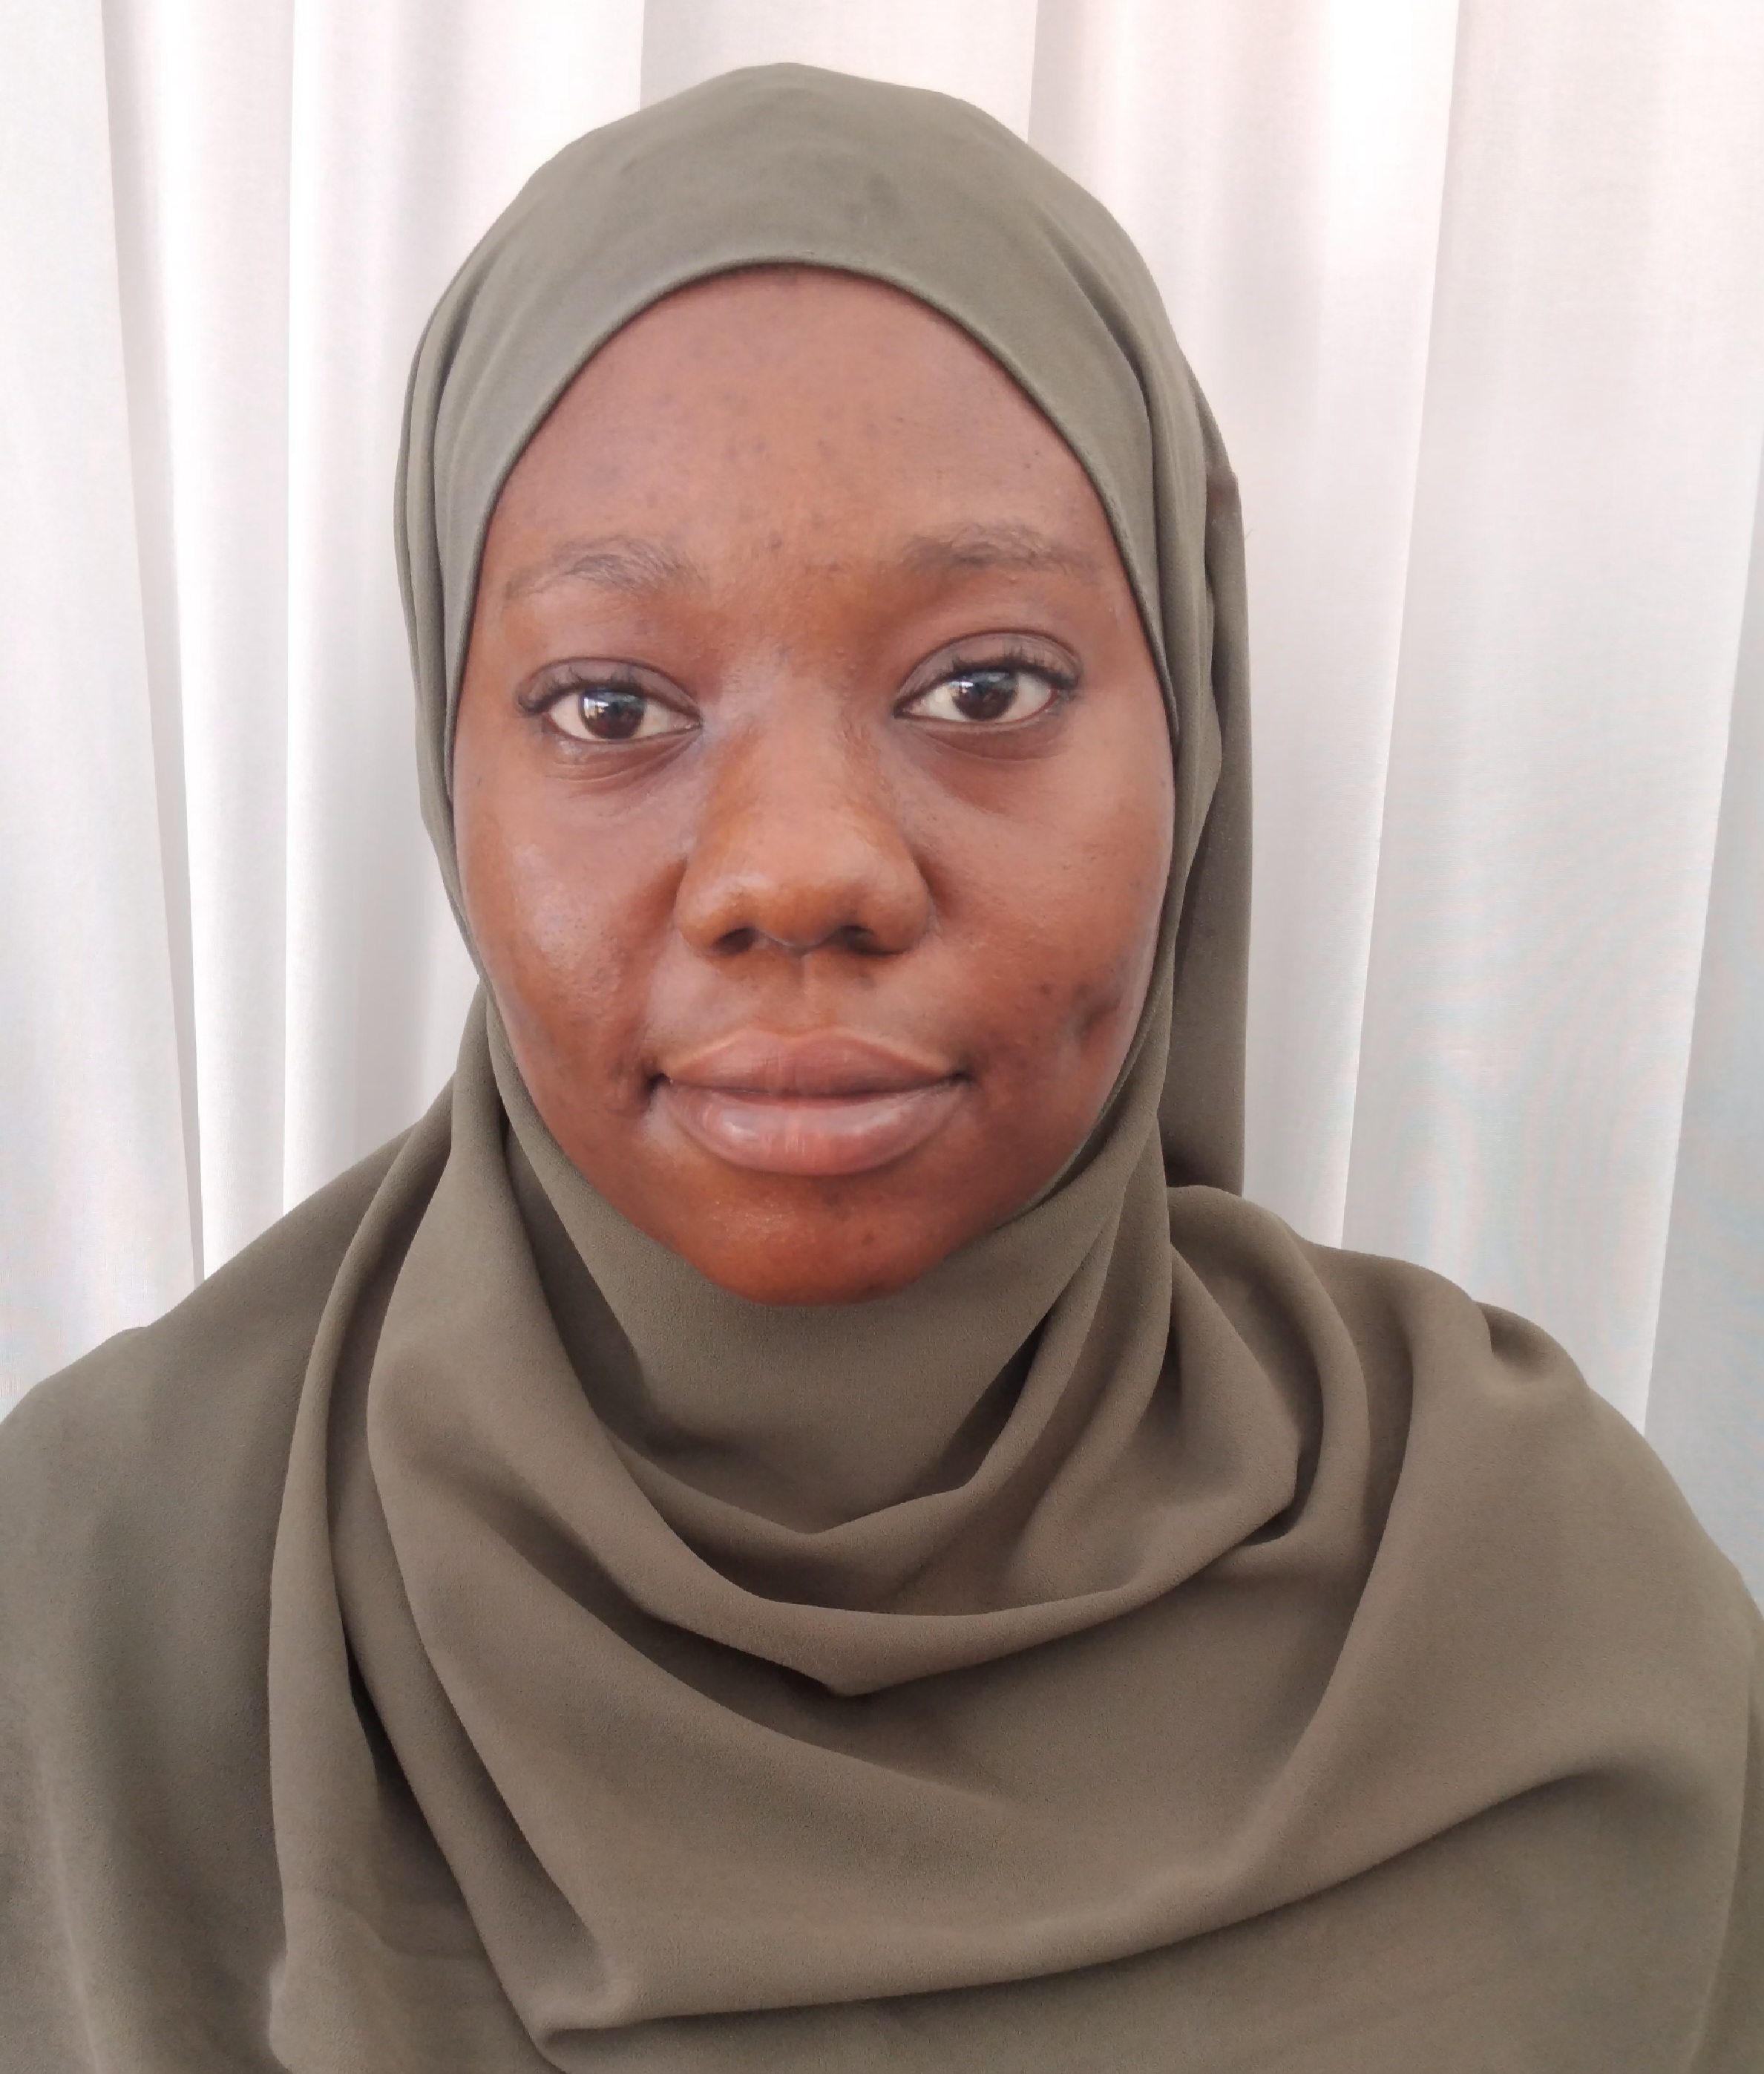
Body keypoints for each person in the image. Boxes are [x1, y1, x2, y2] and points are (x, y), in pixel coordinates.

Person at [1, 63, 1757, 2074]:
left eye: (985, 685)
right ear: (448, 769)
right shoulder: (93, 1609)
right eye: (608, 706)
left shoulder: (1541, 1613)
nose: (799, 871)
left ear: (1191, 741)